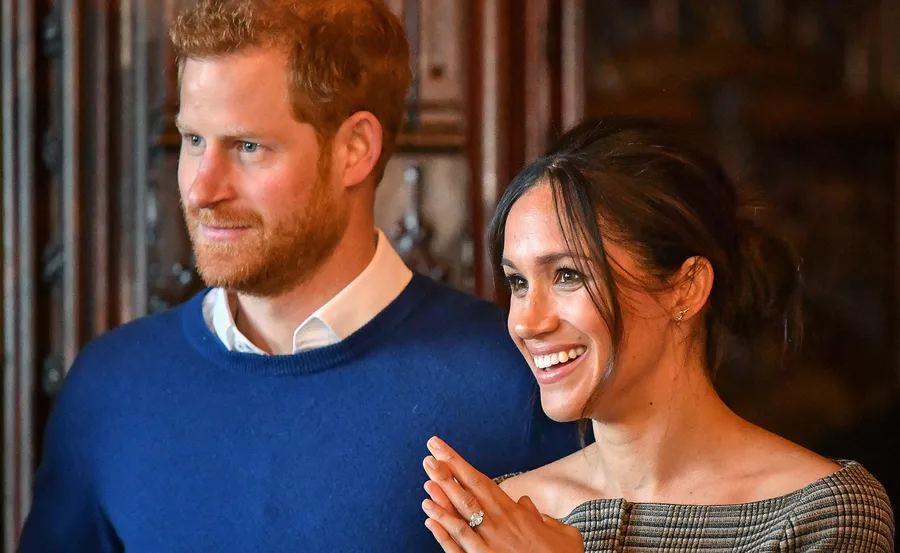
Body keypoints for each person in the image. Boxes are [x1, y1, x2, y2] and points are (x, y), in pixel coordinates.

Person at [16, 1, 576, 551]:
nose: (201, 189)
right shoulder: (110, 386)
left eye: (247, 146)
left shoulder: (520, 382)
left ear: (354, 149)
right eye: (193, 140)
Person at [418, 119, 896, 552]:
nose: (526, 322)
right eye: (518, 283)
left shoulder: (820, 514)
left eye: (567, 275)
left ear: (686, 288)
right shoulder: (505, 517)